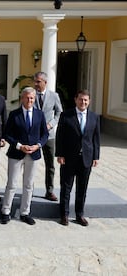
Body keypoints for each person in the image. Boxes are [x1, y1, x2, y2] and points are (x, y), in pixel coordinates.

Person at [0, 87, 49, 225]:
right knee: (12, 184)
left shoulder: (40, 114)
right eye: (27, 97)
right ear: (22, 98)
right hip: (16, 154)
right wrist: (19, 146)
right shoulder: (14, 114)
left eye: (32, 98)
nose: (29, 100)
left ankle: (25, 212)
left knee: (28, 185)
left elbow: (44, 134)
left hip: (33, 154)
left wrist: (38, 145)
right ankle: (5, 211)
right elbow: (7, 134)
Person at [56, 90, 100, 227]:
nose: (83, 102)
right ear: (76, 100)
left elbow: (96, 139)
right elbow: (60, 136)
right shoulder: (66, 115)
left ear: (89, 101)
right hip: (68, 158)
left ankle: (79, 214)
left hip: (86, 158)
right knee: (66, 187)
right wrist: (60, 154)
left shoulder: (94, 117)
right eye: (81, 99)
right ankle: (64, 215)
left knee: (82, 188)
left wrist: (96, 156)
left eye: (86, 100)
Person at [33, 71, 63, 201]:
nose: (36, 84)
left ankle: (49, 191)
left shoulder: (54, 96)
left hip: (49, 136)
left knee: (50, 164)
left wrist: (51, 124)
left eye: (38, 81)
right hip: (33, 136)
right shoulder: (30, 95)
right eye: (35, 81)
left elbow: (59, 112)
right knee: (30, 164)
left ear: (45, 82)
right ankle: (28, 190)